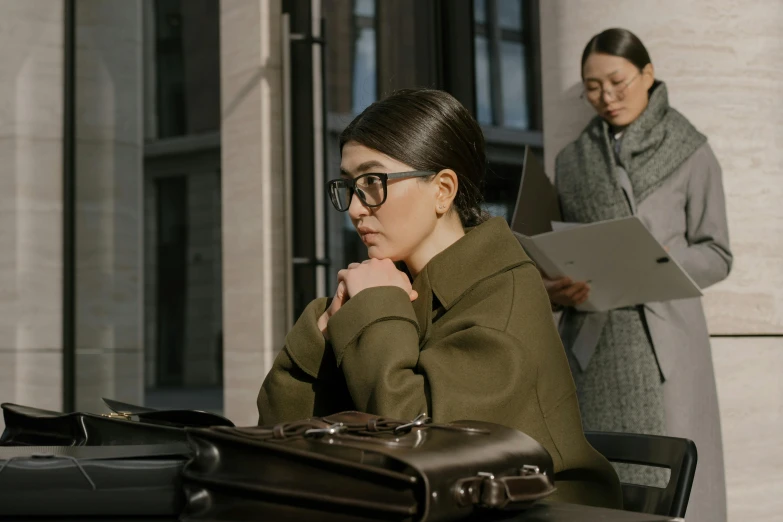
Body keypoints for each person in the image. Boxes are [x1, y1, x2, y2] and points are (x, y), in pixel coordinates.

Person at [257, 88, 621, 508]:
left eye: (373, 182)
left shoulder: (502, 294)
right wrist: (319, 336)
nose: (356, 208)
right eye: (349, 185)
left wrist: (374, 311)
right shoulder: (395, 289)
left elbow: (423, 446)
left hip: (540, 513)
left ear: (443, 190)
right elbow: (277, 436)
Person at [548, 28, 731, 522]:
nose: (606, 97)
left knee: (677, 488)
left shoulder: (690, 150)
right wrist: (557, 291)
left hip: (665, 344)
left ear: (647, 75)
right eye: (592, 86)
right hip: (593, 347)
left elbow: (717, 253)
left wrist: (661, 262)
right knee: (601, 489)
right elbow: (558, 250)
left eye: (618, 82)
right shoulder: (571, 162)